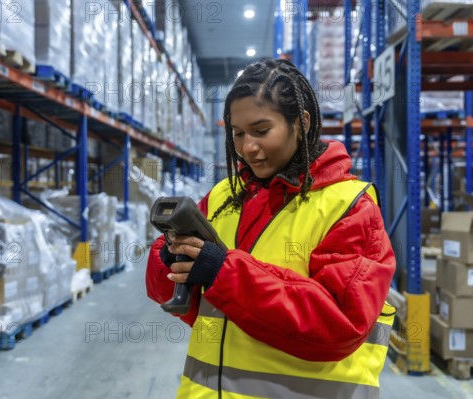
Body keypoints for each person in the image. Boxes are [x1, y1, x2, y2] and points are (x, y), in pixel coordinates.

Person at [146, 58, 396, 399]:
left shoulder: (350, 207)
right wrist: (169, 260)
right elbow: (192, 310)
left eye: (262, 131)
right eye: (237, 133)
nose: (248, 147)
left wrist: (223, 273)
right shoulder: (224, 196)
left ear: (302, 123)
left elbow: (338, 326)